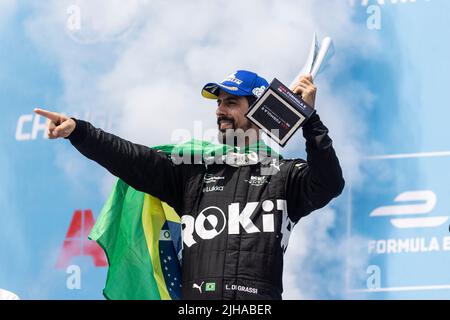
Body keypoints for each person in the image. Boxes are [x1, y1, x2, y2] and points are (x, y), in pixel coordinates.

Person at [34, 70, 344, 300]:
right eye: (219, 103)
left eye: (231, 102)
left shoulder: (286, 176)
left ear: (259, 110)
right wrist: (79, 131)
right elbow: (132, 159)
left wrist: (308, 120)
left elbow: (329, 182)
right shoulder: (191, 173)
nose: (220, 110)